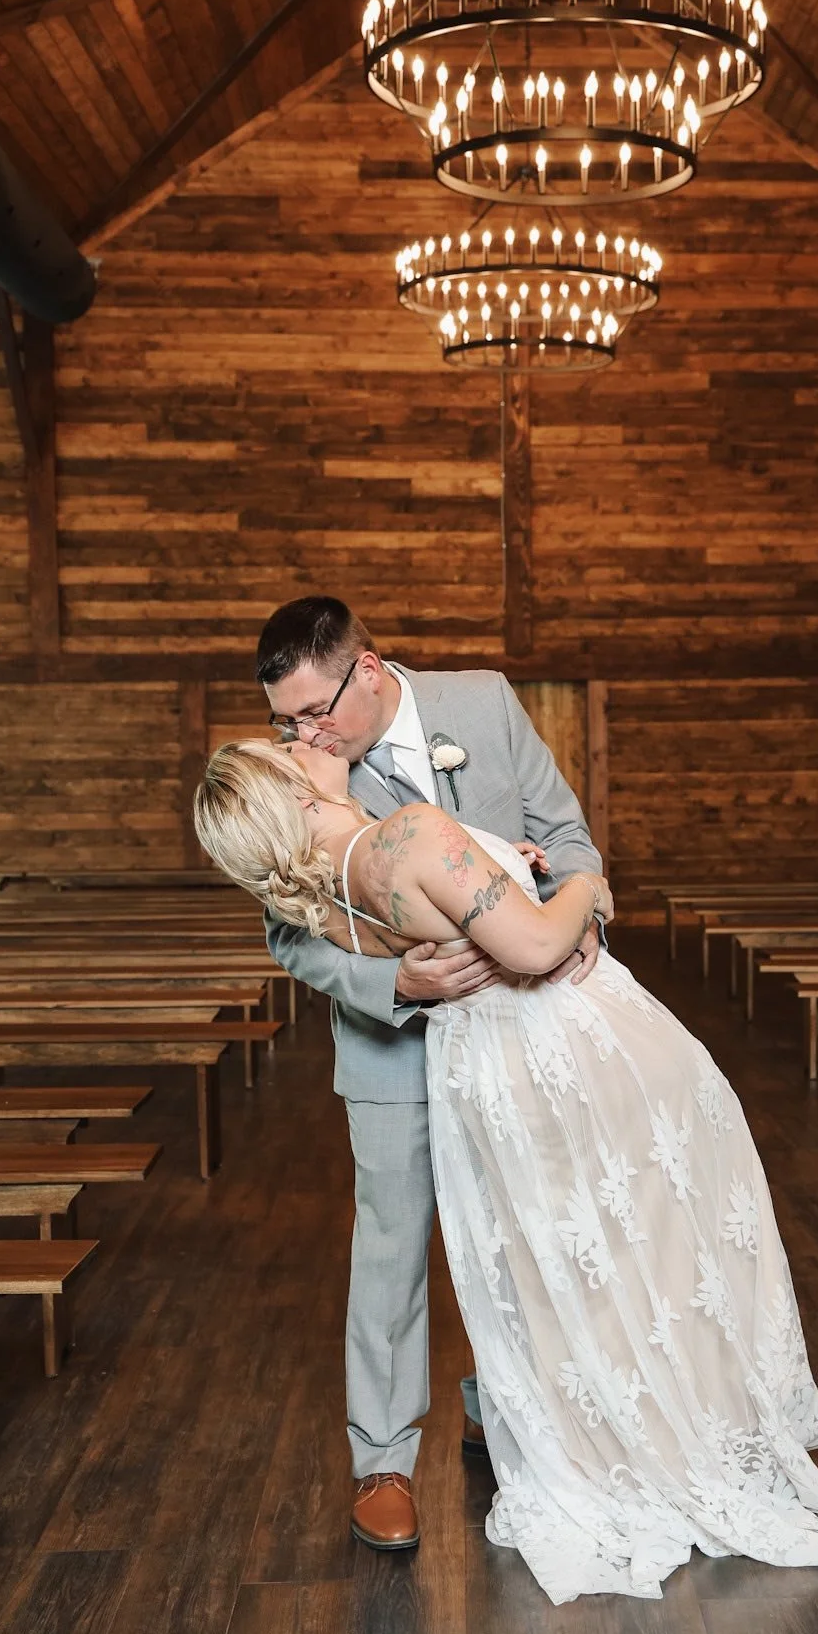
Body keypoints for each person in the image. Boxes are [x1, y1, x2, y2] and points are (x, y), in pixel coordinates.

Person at [195, 738, 818, 1603]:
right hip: (575, 1051)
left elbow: (468, 904)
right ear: (283, 787)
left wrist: (513, 869)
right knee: (649, 1253)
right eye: (278, 743)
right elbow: (537, 947)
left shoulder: (321, 884)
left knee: (567, 1264)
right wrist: (587, 891)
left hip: (491, 1068)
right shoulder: (409, 832)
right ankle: (669, 1449)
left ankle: (607, 1442)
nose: (299, 737)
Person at [251, 595, 607, 1554]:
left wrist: (584, 925)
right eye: (287, 721)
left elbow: (568, 838)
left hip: (518, 1029)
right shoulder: (293, 773)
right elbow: (286, 934)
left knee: (523, 1228)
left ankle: (503, 1408)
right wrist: (387, 979)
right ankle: (382, 1460)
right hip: (391, 1043)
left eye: (316, 711)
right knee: (391, 1248)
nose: (303, 734)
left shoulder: (483, 704)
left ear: (368, 668)